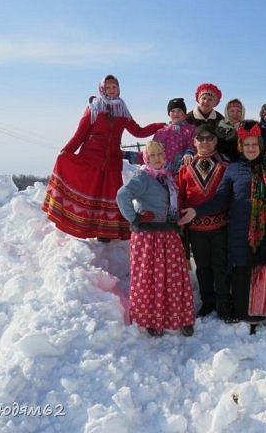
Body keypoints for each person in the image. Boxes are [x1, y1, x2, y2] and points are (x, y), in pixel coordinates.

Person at [179, 121, 266, 335]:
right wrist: (196, 211)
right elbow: (220, 198)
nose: (250, 148)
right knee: (246, 273)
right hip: (241, 231)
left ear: (260, 145)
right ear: (240, 146)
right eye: (246, 145)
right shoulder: (233, 170)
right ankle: (252, 316)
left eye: (254, 144)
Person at [42, 74, 165, 241]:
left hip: (112, 162)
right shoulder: (94, 108)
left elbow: (138, 131)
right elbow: (80, 133)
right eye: (108, 87)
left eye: (114, 87)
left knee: (109, 198)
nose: (112, 90)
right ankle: (81, 226)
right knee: (90, 195)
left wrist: (159, 126)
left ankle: (105, 233)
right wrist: (67, 151)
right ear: (102, 89)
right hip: (91, 158)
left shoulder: (122, 109)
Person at [116, 141, 195, 337]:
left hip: (169, 234)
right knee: (151, 278)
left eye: (160, 154)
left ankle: (180, 316)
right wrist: (135, 218)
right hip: (149, 237)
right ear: (146, 158)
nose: (157, 158)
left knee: (175, 277)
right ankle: (151, 318)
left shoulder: (166, 176)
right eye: (153, 155)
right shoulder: (143, 176)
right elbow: (122, 195)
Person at [176, 124, 231, 320]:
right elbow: (180, 197)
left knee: (221, 265)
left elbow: (229, 196)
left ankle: (224, 303)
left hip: (221, 227)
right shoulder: (184, 169)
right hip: (196, 228)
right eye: (201, 138)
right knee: (203, 266)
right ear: (194, 142)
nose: (205, 142)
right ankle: (208, 302)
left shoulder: (225, 166)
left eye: (209, 138)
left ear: (216, 141)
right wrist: (181, 225)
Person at [151, 98, 196, 175]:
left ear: (184, 113)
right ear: (169, 114)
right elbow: (152, 150)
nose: (176, 114)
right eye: (173, 111)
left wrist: (189, 153)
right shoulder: (161, 132)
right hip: (164, 172)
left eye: (179, 110)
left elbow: (193, 145)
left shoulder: (191, 130)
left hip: (185, 171)